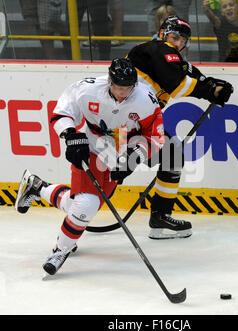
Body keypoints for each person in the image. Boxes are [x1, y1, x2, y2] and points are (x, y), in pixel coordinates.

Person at [14, 58, 165, 275]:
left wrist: (134, 156)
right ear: (110, 81)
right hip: (92, 147)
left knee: (85, 206)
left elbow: (155, 136)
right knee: (86, 205)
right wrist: (71, 135)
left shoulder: (146, 100)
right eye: (118, 87)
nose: (123, 93)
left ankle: (38, 187)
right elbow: (62, 112)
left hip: (118, 153)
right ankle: (60, 250)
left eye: (128, 88)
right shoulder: (88, 89)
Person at [127, 15, 234, 239]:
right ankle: (51, 195)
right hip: (123, 123)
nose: (176, 43)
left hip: (139, 125)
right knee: (104, 179)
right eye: (174, 37)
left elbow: (194, 75)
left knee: (171, 156)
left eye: (181, 40)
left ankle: (160, 219)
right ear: (163, 34)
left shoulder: (170, 57)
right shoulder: (158, 48)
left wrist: (214, 86)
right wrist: (209, 90)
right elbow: (178, 85)